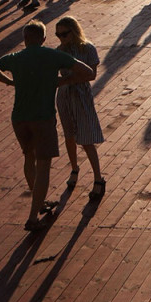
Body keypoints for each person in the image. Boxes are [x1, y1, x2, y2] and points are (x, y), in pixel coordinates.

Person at [0, 21, 95, 230]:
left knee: (29, 157)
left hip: (19, 118)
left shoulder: (15, 58)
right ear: (43, 39)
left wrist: (9, 82)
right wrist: (64, 82)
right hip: (42, 118)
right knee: (43, 166)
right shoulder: (53, 56)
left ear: (25, 39)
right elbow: (88, 72)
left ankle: (40, 202)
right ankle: (33, 217)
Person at [54, 16, 106, 198]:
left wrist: (66, 80)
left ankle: (98, 178)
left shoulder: (88, 48)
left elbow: (91, 75)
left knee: (85, 138)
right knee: (69, 135)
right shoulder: (58, 51)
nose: (61, 38)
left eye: (64, 34)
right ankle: (74, 168)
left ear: (74, 31)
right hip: (64, 96)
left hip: (81, 95)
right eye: (58, 34)